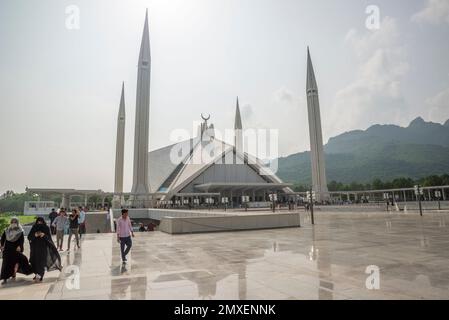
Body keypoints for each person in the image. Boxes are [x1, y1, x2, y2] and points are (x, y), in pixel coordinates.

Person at [28, 217, 62, 282]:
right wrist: (35, 235)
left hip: (43, 249)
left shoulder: (46, 228)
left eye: (41, 222)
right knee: (34, 262)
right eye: (38, 222)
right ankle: (36, 274)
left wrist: (44, 235)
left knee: (41, 262)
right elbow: (29, 237)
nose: (39, 223)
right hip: (34, 249)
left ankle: (40, 275)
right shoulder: (34, 227)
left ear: (43, 222)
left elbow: (49, 238)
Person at [1, 217, 33, 284]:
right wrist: (2, 246)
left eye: (15, 222)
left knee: (20, 260)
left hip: (16, 249)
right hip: (7, 249)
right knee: (6, 263)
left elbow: (21, 240)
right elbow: (3, 238)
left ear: (17, 223)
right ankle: (4, 278)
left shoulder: (20, 231)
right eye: (12, 222)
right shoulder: (7, 230)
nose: (13, 223)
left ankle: (32, 270)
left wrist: (19, 246)